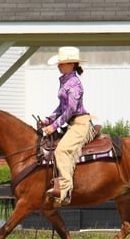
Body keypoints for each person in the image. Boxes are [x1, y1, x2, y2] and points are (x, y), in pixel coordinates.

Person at [40, 46, 96, 207]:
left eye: (62, 63)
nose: (59, 66)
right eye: (59, 63)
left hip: (80, 123)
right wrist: (48, 120)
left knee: (61, 150)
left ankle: (64, 191)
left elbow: (71, 109)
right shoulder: (65, 81)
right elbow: (62, 107)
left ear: (71, 64)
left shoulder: (74, 83)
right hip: (72, 123)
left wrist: (54, 125)